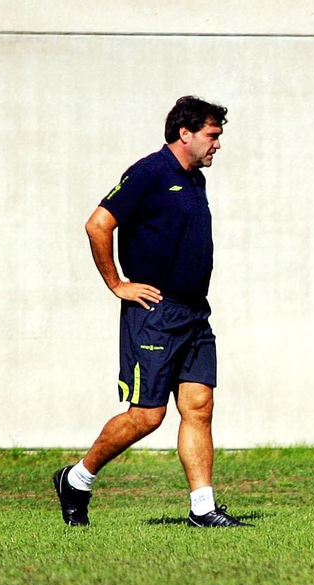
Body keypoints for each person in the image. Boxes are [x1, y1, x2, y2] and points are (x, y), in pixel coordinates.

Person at [54, 95, 248, 528]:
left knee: (199, 406)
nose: (217, 144)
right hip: (155, 315)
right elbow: (97, 224)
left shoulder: (194, 178)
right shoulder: (149, 172)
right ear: (186, 133)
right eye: (212, 135)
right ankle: (77, 479)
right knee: (147, 416)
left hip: (195, 315)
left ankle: (203, 509)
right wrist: (117, 284)